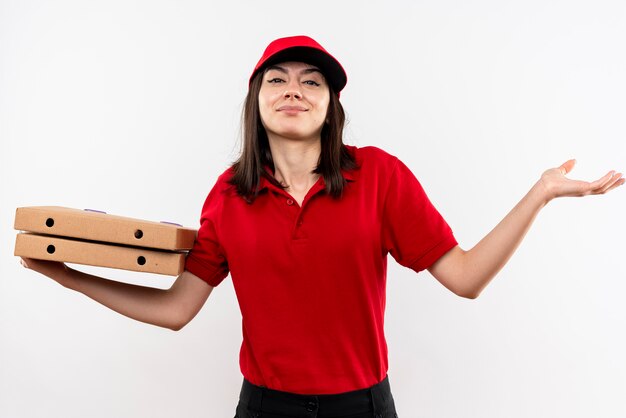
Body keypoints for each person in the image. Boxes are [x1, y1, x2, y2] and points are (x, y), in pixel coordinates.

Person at [20, 35, 624, 418]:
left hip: (362, 407)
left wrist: (541, 192)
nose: (295, 90)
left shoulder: (380, 176)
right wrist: (67, 275)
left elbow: (465, 277)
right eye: (278, 78)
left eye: (313, 81)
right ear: (256, 99)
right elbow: (178, 310)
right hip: (264, 408)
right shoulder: (229, 194)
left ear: (331, 106)